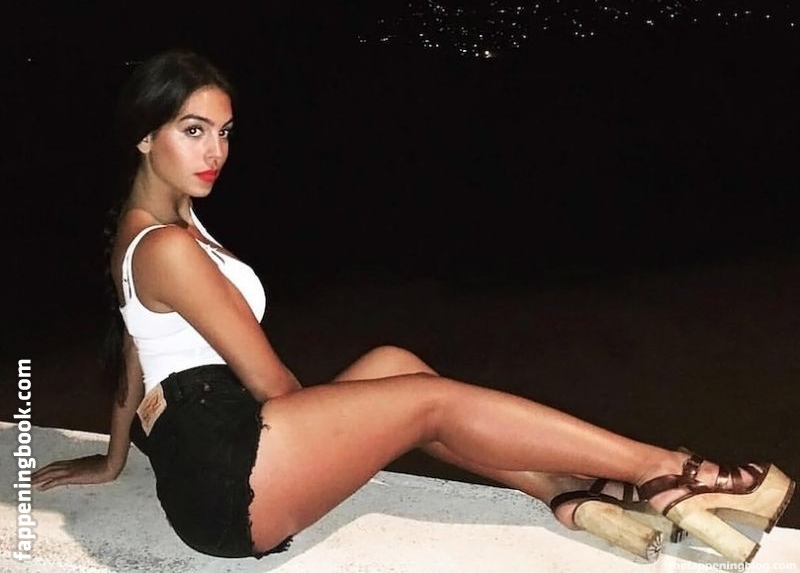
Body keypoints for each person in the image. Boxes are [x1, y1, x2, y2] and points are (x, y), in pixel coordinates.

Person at [31, 50, 794, 565]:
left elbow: (133, 355)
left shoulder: (154, 229)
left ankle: (561, 490)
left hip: (214, 455)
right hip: (230, 483)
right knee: (426, 403)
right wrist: (344, 423)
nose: (215, 152)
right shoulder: (167, 245)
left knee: (394, 365)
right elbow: (274, 388)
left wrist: (114, 457)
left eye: (224, 132)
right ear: (145, 137)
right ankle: (670, 470)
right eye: (193, 130)